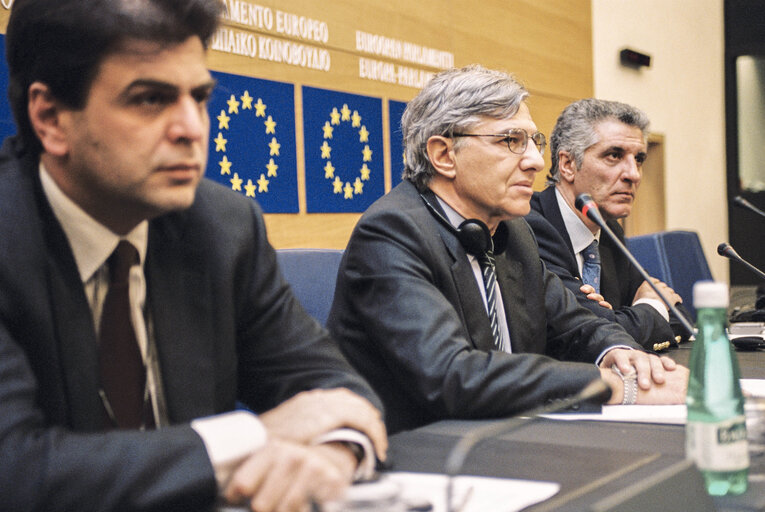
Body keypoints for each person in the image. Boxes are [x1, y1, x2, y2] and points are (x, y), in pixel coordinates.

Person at [0, 1, 387, 511]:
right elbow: (16, 472)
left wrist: (334, 451)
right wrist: (245, 437)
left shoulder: (223, 227)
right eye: (149, 100)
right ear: (50, 118)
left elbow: (334, 391)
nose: (191, 128)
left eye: (200, 97)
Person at [327, 65, 688, 434]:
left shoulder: (513, 230)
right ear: (443, 155)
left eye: (534, 142)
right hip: (421, 454)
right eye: (510, 141)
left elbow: (574, 325)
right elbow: (455, 375)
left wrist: (622, 356)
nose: (534, 160)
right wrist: (611, 385)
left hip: (509, 436)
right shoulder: (391, 233)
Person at [525, 98, 691, 350]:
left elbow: (680, 317)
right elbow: (588, 333)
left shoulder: (608, 228)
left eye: (639, 159)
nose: (633, 174)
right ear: (568, 164)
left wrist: (642, 312)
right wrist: (651, 307)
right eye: (614, 156)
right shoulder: (530, 225)